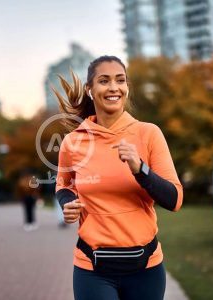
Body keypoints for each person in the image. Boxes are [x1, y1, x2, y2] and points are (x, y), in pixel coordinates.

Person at [54, 56, 183, 300]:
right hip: (92, 268)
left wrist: (139, 168)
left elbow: (174, 199)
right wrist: (67, 204)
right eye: (104, 81)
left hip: (145, 268)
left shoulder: (149, 133)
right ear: (90, 90)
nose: (114, 87)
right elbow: (64, 185)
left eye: (120, 80)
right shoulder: (73, 142)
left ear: (126, 87)